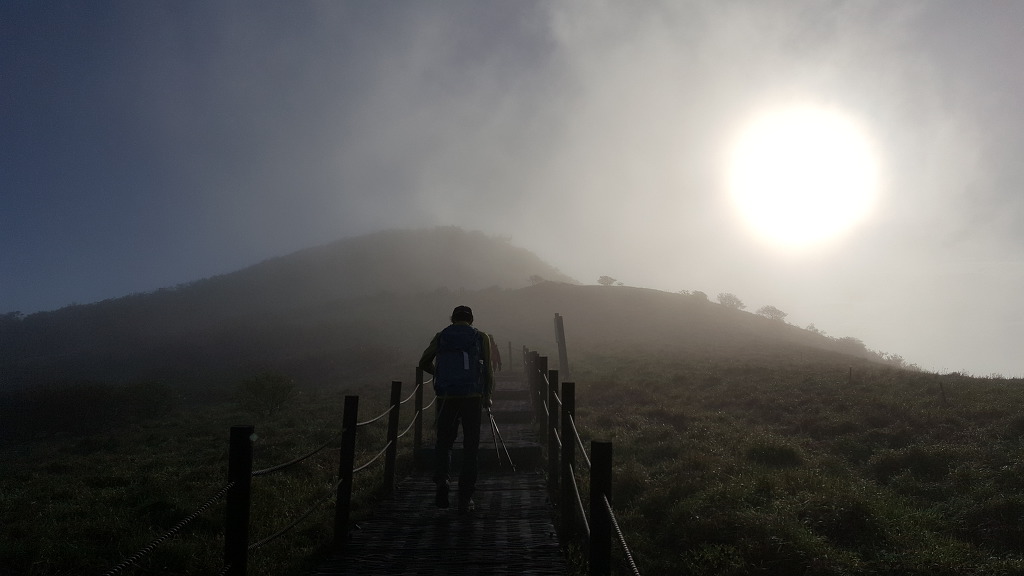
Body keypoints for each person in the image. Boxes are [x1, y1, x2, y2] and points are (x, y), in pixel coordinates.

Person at [419, 305, 494, 515]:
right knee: (471, 446)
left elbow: (423, 361)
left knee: (444, 442)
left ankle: (443, 480)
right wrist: (487, 396)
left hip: (446, 397)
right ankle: (465, 497)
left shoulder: (442, 335)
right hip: (472, 397)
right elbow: (488, 370)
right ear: (471, 319)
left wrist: (439, 374)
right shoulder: (480, 337)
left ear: (452, 318)